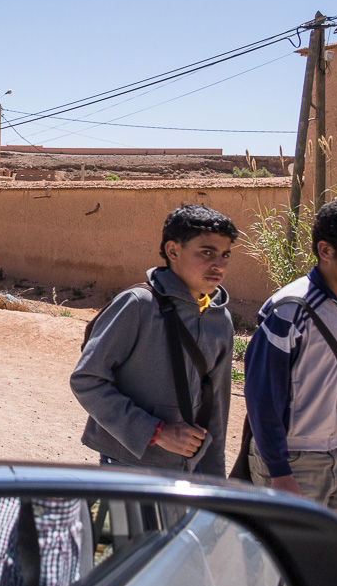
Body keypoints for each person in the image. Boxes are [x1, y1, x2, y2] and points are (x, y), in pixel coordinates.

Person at [243, 198, 337, 558]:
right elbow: (261, 396)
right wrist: (279, 471)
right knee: (290, 568)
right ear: (326, 250)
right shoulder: (290, 308)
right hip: (293, 462)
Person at [70, 204, 238, 477]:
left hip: (190, 469)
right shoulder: (138, 305)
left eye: (225, 255)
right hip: (129, 465)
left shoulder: (220, 319)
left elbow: (216, 407)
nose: (218, 265)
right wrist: (155, 432)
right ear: (173, 251)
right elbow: (87, 379)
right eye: (207, 253)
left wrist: (214, 479)